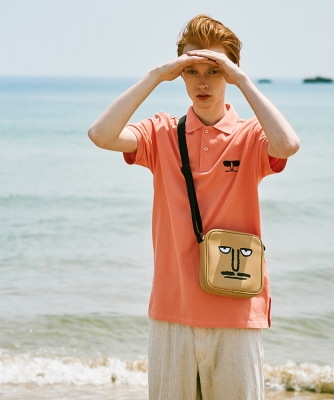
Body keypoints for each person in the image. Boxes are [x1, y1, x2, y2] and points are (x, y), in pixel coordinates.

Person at [88, 14, 300, 400]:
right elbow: (101, 134)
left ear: (230, 73)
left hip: (236, 313)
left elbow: (287, 145)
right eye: (192, 71)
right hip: (172, 312)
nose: (203, 82)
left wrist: (243, 81)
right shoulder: (161, 132)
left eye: (214, 71)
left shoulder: (250, 135)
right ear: (181, 74)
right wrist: (156, 75)